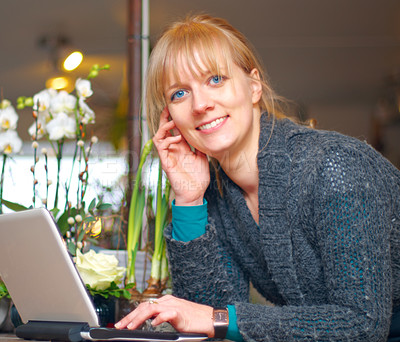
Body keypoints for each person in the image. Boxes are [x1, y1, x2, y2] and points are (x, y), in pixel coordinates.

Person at [115, 14, 400, 341]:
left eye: (215, 79)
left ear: (253, 86)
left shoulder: (334, 167)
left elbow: (362, 324)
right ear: (171, 118)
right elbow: (208, 317)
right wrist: (190, 200)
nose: (201, 104)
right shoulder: (218, 192)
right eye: (179, 94)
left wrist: (218, 320)